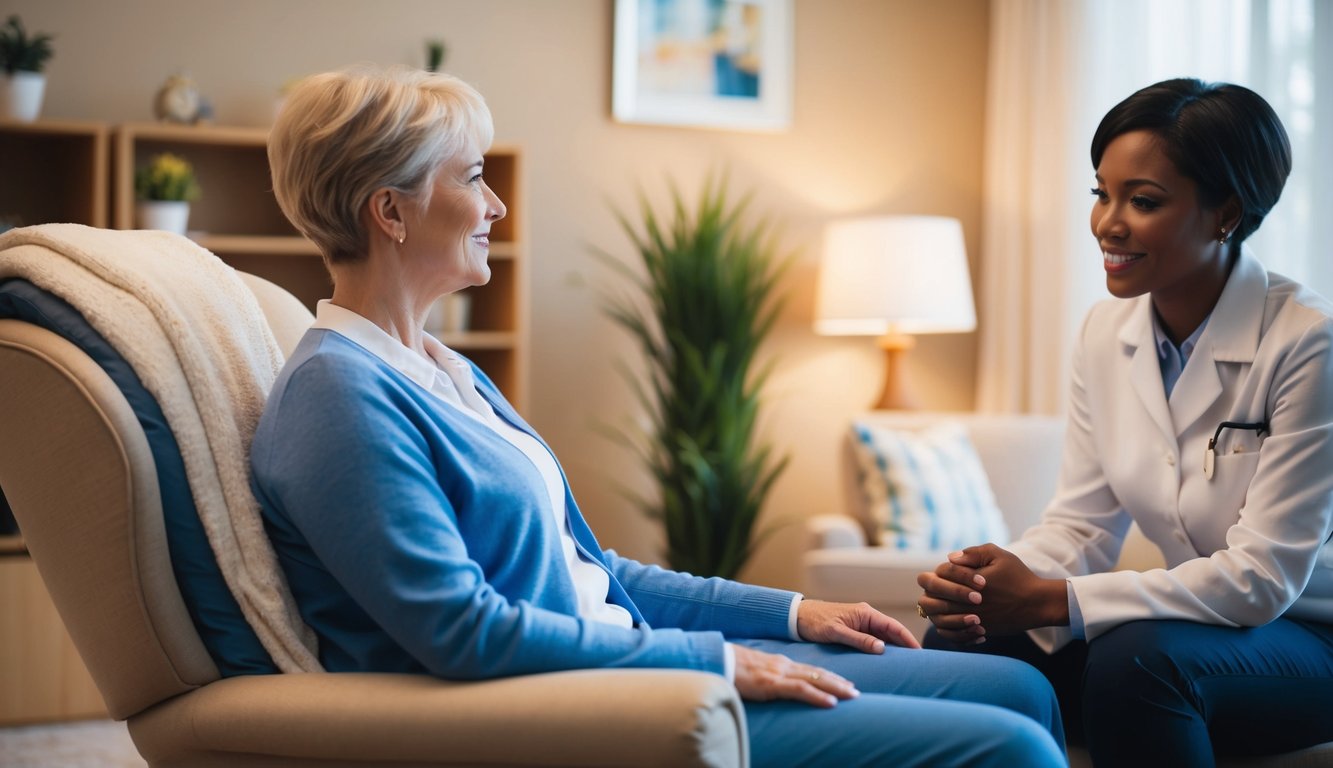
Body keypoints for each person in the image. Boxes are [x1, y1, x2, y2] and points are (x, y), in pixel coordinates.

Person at [253, 64, 1067, 768]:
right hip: (582, 707)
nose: (497, 204)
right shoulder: (338, 394)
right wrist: (716, 664)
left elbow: (592, 572)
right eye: (470, 178)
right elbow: (464, 632)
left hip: (636, 661)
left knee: (1014, 685)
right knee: (1011, 747)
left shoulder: (441, 369)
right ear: (389, 213)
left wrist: (789, 613)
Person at [917, 78, 1333, 766]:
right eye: (1099, 193)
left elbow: (1261, 578)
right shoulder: (1104, 330)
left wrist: (1054, 599)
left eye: (1141, 201)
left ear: (1225, 212)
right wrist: (997, 581)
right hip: (1204, 626)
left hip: (1310, 636)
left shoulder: (1307, 342)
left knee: (1138, 663)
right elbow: (1082, 523)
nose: (1108, 222)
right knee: (964, 642)